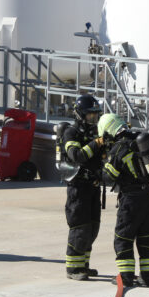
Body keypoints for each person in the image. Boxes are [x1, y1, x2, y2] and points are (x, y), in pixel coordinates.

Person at [99, 113, 149, 288]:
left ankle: (126, 277)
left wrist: (102, 165)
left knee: (123, 237)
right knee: (148, 237)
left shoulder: (119, 148)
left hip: (132, 199)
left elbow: (109, 176)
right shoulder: (142, 141)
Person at [60, 94, 105, 281]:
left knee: (93, 228)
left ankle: (83, 265)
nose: (93, 119)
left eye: (95, 115)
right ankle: (73, 269)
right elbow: (76, 155)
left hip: (93, 186)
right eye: (89, 115)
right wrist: (96, 143)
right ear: (80, 114)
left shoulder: (96, 133)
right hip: (78, 188)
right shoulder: (71, 133)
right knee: (80, 227)